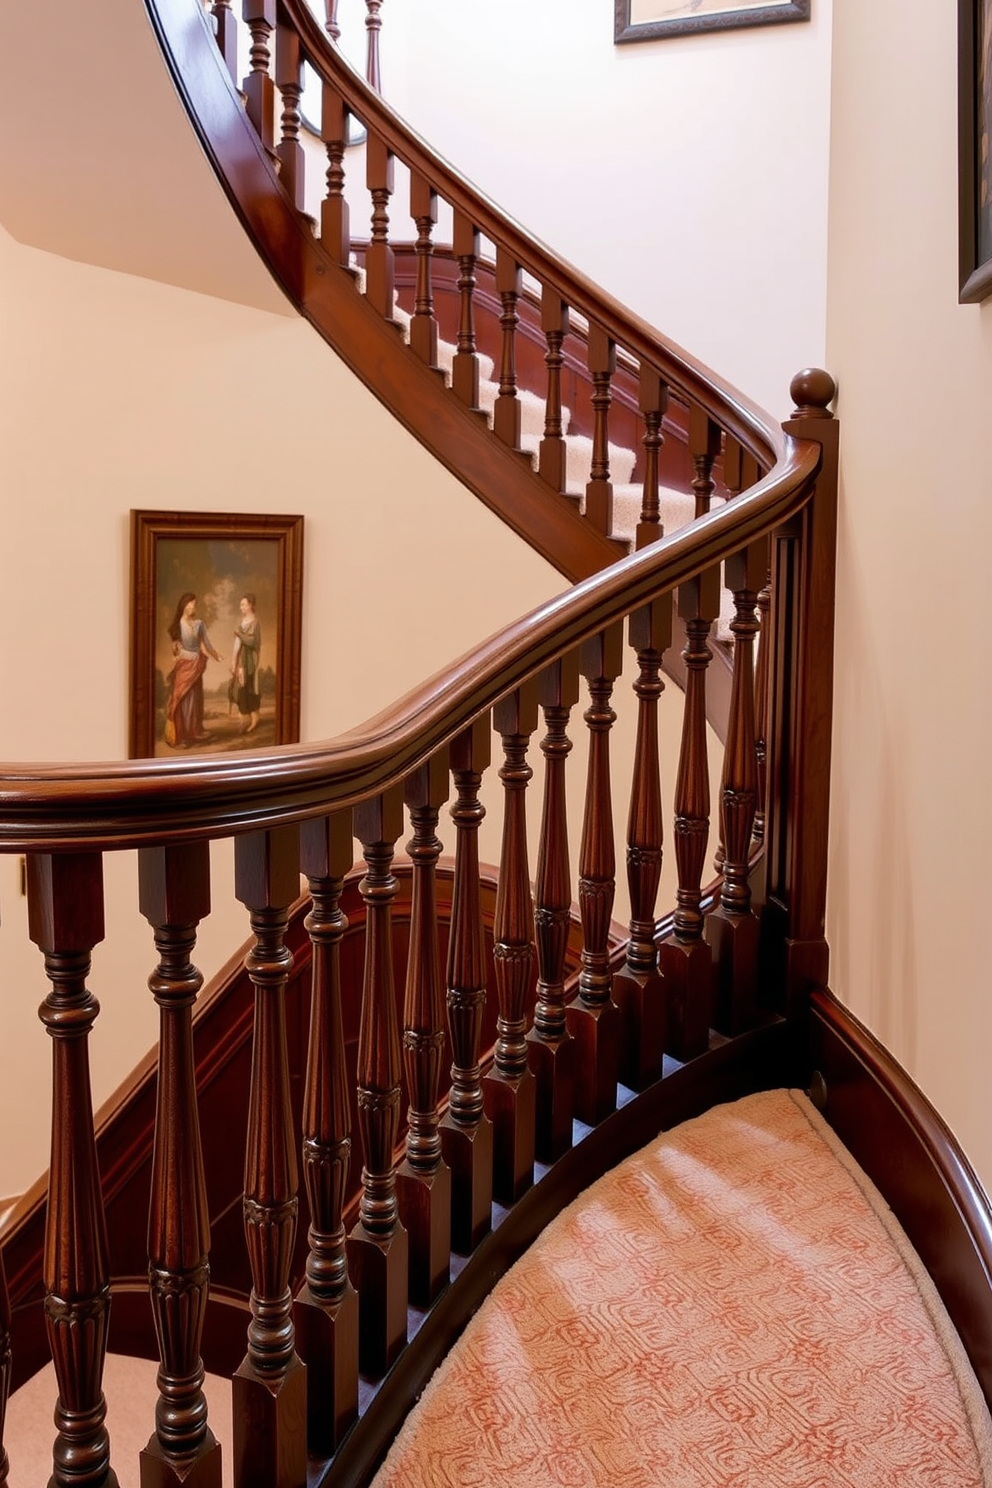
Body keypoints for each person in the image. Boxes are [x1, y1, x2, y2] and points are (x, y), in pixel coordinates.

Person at [164, 592, 221, 747]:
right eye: (190, 604)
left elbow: (204, 646)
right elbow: (176, 650)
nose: (192, 607)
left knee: (195, 700)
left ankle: (194, 732)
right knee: (182, 700)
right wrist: (185, 655)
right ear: (183, 605)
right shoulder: (177, 626)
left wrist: (215, 655)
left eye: (194, 604)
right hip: (184, 668)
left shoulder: (199, 624)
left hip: (196, 668)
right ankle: (182, 736)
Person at [230, 592, 262, 734]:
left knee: (248, 689)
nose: (241, 607)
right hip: (241, 661)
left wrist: (240, 634)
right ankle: (245, 718)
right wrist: (233, 662)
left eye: (243, 604)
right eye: (241, 604)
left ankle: (253, 718)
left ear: (250, 605)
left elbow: (253, 642)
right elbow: (237, 645)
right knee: (240, 689)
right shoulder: (241, 623)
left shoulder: (255, 624)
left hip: (250, 661)